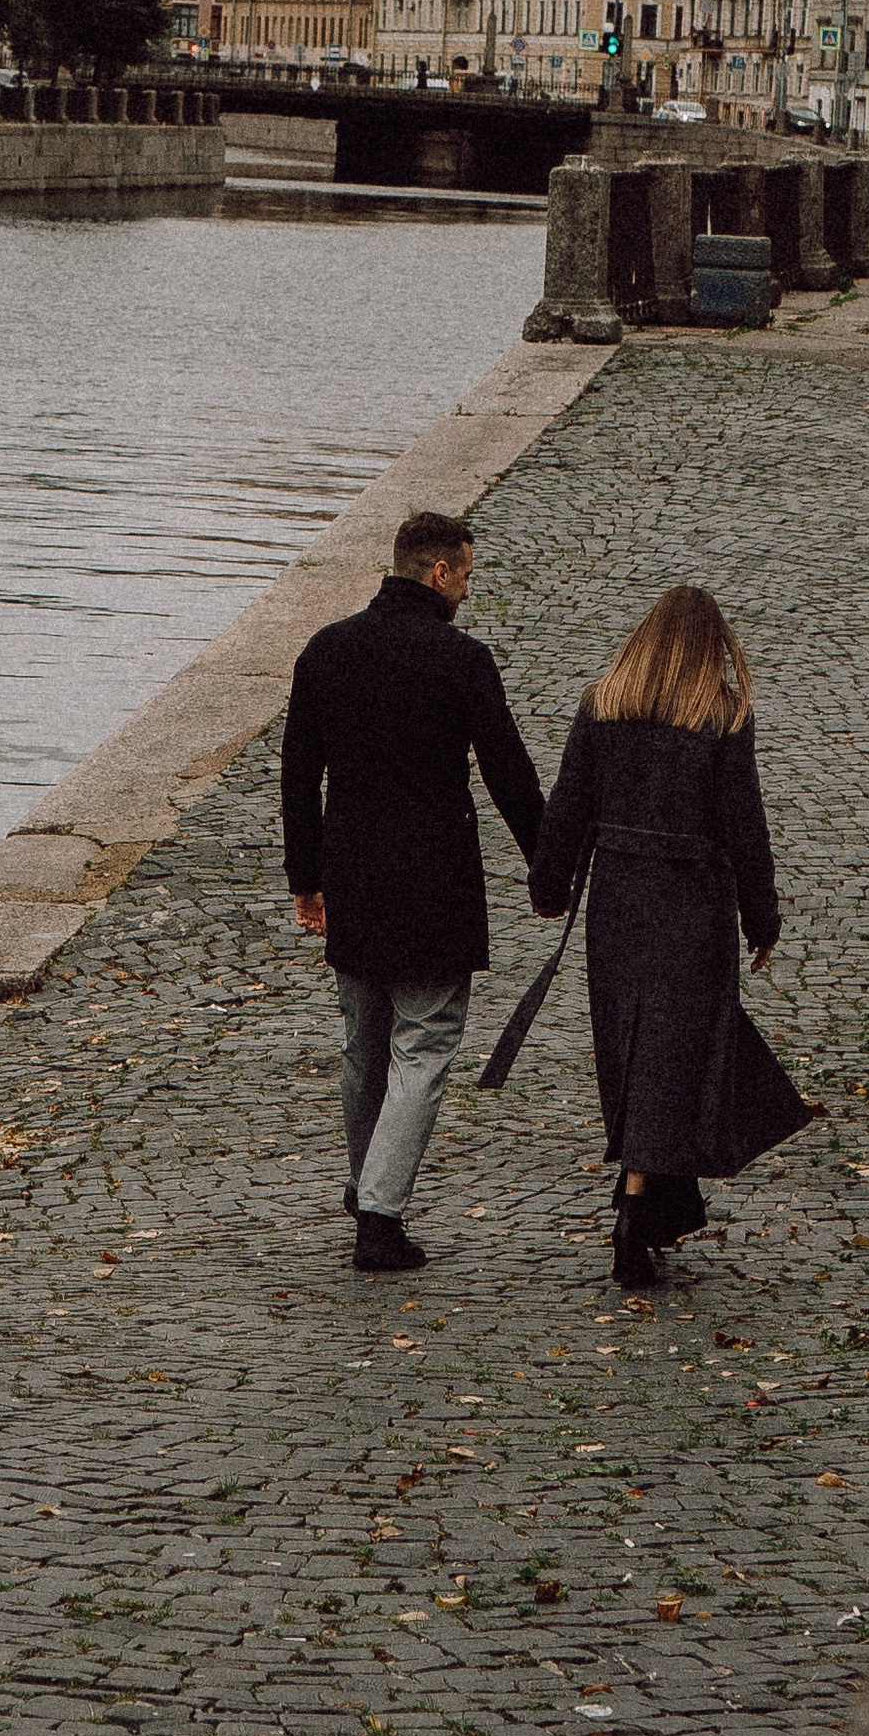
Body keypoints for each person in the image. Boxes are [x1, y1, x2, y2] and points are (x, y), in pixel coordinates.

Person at [282, 508, 546, 1274]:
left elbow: (300, 776)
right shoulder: (460, 660)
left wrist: (307, 878)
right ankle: (380, 1213)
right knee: (424, 1042)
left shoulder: (326, 651)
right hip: (434, 882)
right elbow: (508, 772)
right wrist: (548, 864)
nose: (467, 588)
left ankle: (369, 1179)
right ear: (439, 572)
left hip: (353, 874)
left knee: (363, 1040)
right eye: (466, 573)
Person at [529, 585, 783, 1289]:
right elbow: (746, 829)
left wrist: (549, 888)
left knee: (634, 1049)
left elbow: (568, 806)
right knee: (677, 1050)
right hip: (693, 906)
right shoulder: (722, 718)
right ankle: (638, 1208)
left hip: (618, 900)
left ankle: (655, 1198)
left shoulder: (602, 704)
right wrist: (762, 920)